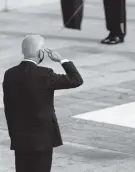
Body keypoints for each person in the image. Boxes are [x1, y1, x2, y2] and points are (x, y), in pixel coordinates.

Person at [2, 35, 83, 172]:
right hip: (42, 139)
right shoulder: (45, 74)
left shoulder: (9, 74)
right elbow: (76, 80)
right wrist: (62, 60)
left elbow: (8, 106)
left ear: (23, 51)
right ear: (40, 53)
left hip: (20, 137)